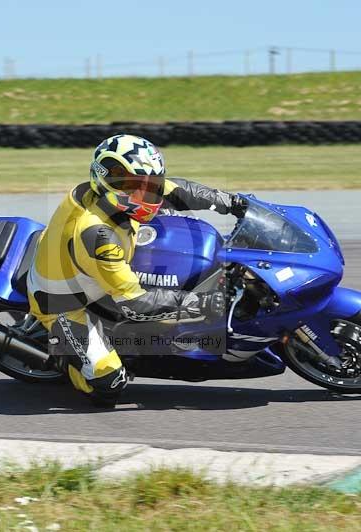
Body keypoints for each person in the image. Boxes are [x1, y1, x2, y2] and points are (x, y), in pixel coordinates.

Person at [26, 134, 247, 406]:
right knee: (109, 383)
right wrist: (201, 304)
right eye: (139, 187)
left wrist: (233, 202)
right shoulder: (97, 235)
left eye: (150, 184)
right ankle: (68, 362)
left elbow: (178, 190)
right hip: (64, 302)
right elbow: (134, 304)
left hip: (88, 267)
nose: (150, 193)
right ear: (112, 182)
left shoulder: (115, 192)